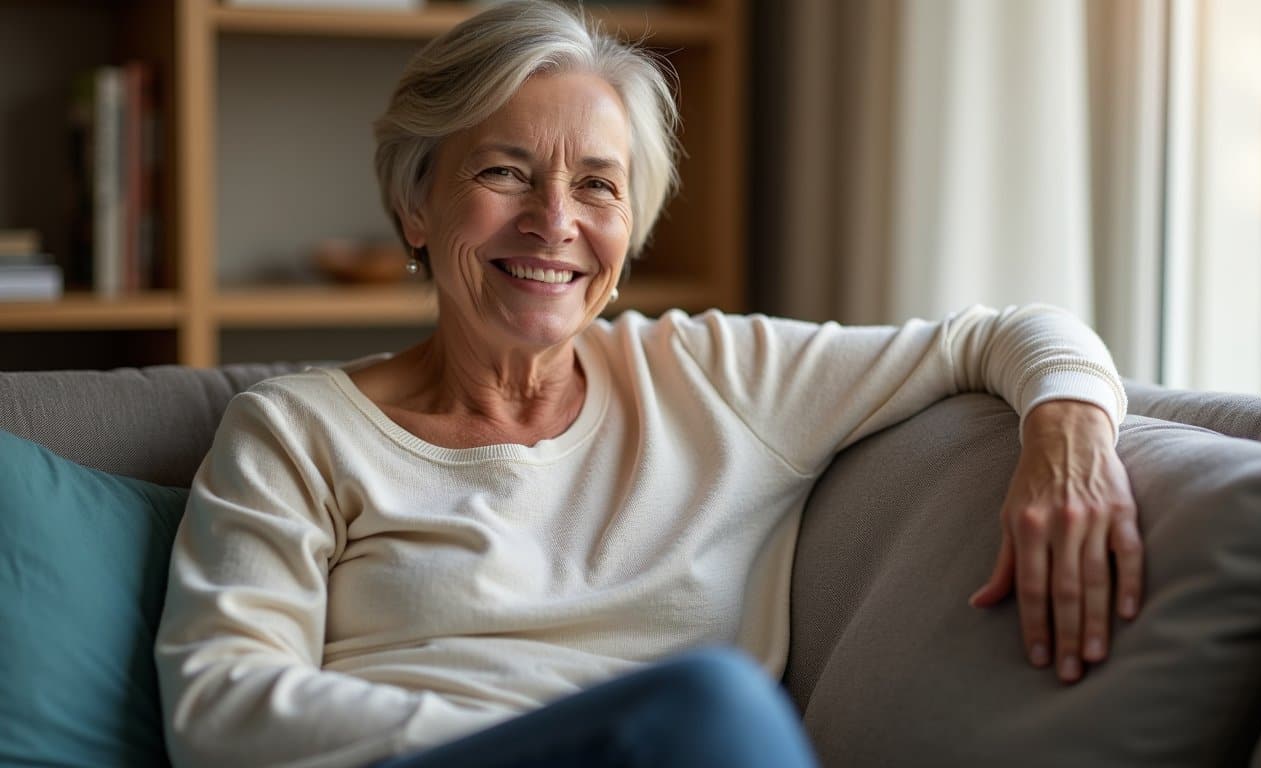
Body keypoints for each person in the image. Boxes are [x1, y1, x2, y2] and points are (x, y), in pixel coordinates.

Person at [154, 2, 1143, 766]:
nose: (554, 221)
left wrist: (1070, 441)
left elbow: (1016, 333)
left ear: (630, 233)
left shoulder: (716, 379)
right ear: (417, 204)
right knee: (711, 707)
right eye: (505, 172)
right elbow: (218, 706)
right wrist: (587, 735)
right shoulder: (294, 433)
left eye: (597, 184)